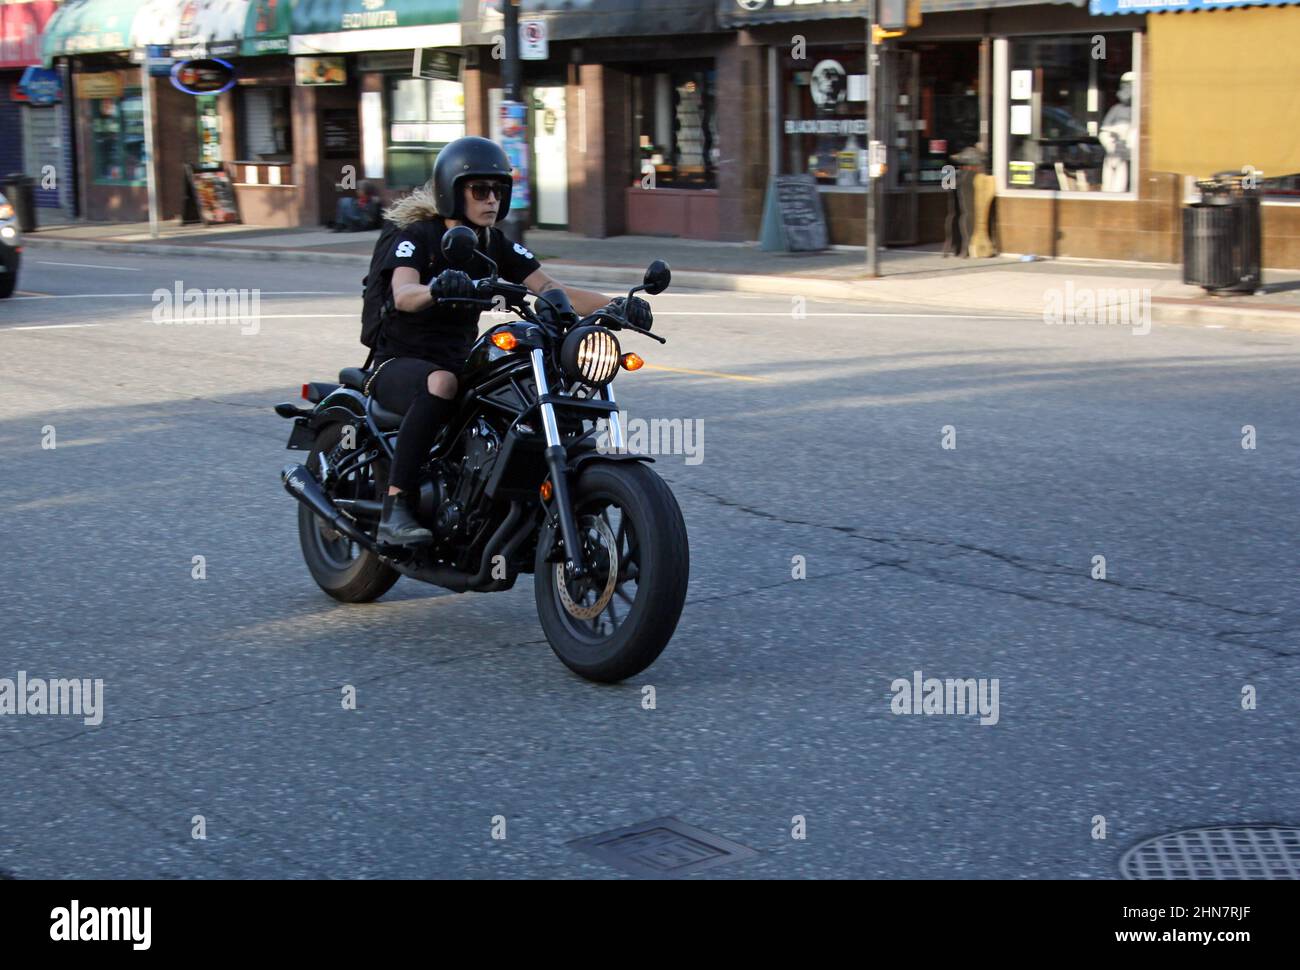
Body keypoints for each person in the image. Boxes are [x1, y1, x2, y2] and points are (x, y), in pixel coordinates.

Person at [371, 135, 652, 545]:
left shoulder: (494, 243)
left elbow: (550, 287)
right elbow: (404, 293)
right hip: (399, 362)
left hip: (458, 360)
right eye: (480, 190)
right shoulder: (420, 237)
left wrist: (617, 305)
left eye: (499, 191)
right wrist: (436, 288)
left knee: (513, 387)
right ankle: (396, 507)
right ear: (453, 191)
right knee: (441, 383)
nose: (492, 200)